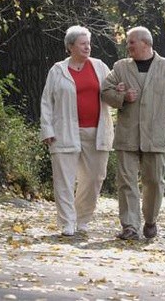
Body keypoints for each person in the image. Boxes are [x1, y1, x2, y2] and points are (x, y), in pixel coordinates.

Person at [101, 26, 165, 240]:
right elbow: (105, 91)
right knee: (126, 182)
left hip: (154, 135)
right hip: (127, 135)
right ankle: (130, 226)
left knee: (154, 181)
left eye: (131, 43)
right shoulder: (120, 67)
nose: (128, 47)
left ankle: (151, 220)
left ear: (145, 43)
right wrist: (123, 97)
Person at [40, 25, 114, 236]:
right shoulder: (58, 70)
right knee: (64, 179)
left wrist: (119, 91)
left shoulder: (100, 67)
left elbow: (111, 91)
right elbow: (46, 102)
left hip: (97, 132)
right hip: (64, 132)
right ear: (70, 46)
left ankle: (82, 218)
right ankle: (67, 222)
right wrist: (47, 130)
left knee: (95, 177)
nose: (87, 47)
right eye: (82, 44)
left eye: (88, 44)